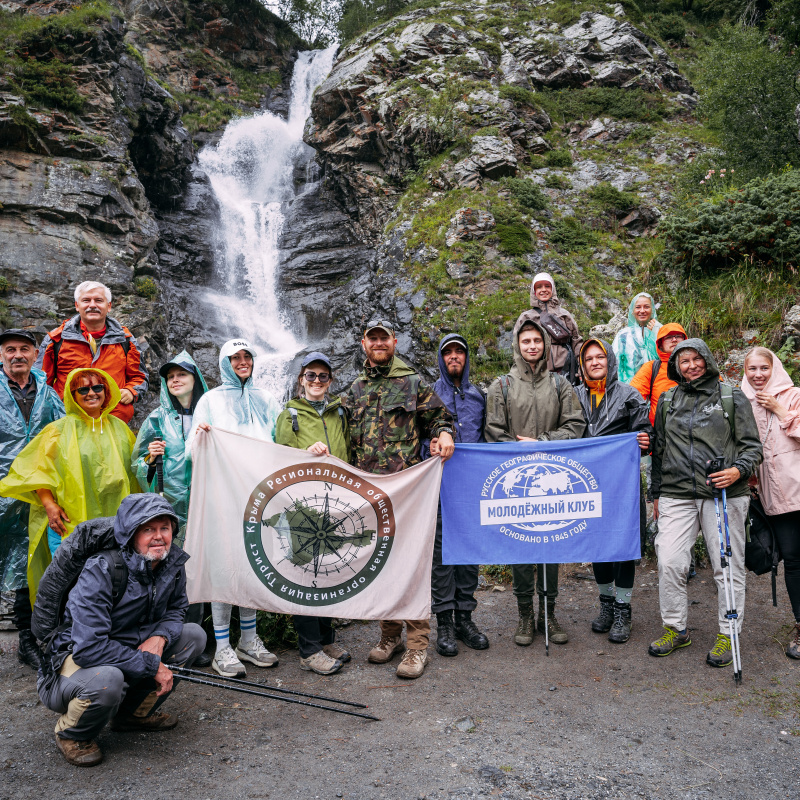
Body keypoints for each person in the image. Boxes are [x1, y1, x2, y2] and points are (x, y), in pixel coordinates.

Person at [37, 494, 206, 767]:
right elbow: (89, 648)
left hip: (127, 647)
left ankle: (132, 715)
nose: (159, 537)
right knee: (108, 679)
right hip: (72, 661)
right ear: (130, 533)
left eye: (165, 528)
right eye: (148, 529)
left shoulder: (171, 562)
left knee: (193, 636)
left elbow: (177, 609)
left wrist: (160, 637)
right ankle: (72, 733)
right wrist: (152, 665)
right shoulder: (101, 569)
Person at [342, 319, 455, 679]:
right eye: (372, 339)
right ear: (364, 343)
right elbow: (338, 435)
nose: (378, 344)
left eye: (383, 338)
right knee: (382, 565)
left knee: (411, 565)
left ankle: (418, 645)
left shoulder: (413, 382)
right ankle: (389, 636)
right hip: (369, 492)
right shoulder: (354, 389)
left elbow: (439, 417)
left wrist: (442, 435)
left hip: (407, 493)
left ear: (394, 341)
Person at [649, 339, 762, 667]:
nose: (691, 365)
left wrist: (736, 471)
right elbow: (659, 451)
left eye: (697, 358)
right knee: (669, 562)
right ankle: (675, 627)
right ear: (676, 366)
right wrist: (655, 494)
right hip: (676, 493)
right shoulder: (668, 400)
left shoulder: (731, 397)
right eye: (684, 361)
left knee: (726, 566)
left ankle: (729, 632)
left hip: (724, 494)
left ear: (708, 360)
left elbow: (753, 447)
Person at [485, 314, 586, 647]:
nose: (532, 346)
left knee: (550, 545)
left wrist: (541, 444)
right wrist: (517, 452)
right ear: (517, 345)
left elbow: (575, 425)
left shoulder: (560, 385)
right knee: (521, 547)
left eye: (537, 340)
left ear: (545, 345)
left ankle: (549, 613)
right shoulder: (501, 386)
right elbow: (493, 433)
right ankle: (525, 615)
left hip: (553, 478)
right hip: (516, 480)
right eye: (525, 341)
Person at [186, 338, 282, 678]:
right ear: (224, 362)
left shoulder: (267, 399)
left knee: (253, 564)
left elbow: (281, 443)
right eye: (235, 357)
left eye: (247, 356)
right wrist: (201, 436)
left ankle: (249, 640)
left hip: (259, 496)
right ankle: (223, 646)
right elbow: (192, 450)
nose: (242, 362)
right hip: (223, 496)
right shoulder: (210, 400)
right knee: (225, 566)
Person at [0, 368, 138, 598]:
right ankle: (69, 632)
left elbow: (135, 472)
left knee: (113, 582)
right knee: (71, 584)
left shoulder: (120, 428)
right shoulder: (58, 430)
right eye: (82, 389)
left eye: (97, 387)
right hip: (68, 522)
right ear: (72, 395)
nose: (91, 393)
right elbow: (35, 469)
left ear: (107, 390)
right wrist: (49, 505)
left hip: (113, 524)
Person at [274, 352, 352, 676]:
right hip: (301, 504)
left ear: (330, 381)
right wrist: (306, 453)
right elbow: (278, 458)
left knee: (329, 570)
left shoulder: (339, 413)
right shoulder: (289, 414)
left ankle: (326, 637)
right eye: (311, 376)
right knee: (305, 573)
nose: (317, 382)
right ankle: (309, 649)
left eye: (323, 376)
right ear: (300, 380)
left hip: (335, 502)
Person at [132, 350, 211, 667]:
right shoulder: (155, 419)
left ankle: (201, 639)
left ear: (195, 379)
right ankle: (166, 638)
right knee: (171, 576)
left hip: (206, 506)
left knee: (201, 574)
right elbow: (137, 465)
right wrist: (150, 458)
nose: (175, 379)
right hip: (170, 511)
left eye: (182, 374)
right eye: (170, 376)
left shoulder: (210, 415)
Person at [576, 338, 651, 643]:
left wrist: (646, 439)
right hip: (587, 484)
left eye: (600, 357)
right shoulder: (574, 395)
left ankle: (623, 609)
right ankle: (606, 605)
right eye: (589, 359)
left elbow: (646, 431)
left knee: (622, 546)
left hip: (621, 484)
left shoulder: (629, 395)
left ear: (610, 361)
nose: (595, 362)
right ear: (582, 365)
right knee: (598, 545)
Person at [0, 329, 64, 670]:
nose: (17, 355)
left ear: (36, 353)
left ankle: (27, 637)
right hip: (2, 490)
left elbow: (63, 435)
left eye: (24, 349)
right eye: (10, 350)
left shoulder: (49, 393)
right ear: (1, 355)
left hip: (37, 490)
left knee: (28, 559)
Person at [426, 333, 489, 657]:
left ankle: (466, 618)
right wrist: (430, 445)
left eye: (459, 353)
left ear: (465, 359)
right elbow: (420, 439)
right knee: (442, 559)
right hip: (439, 489)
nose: (454, 357)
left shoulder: (479, 396)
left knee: (468, 555)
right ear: (441, 357)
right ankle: (445, 624)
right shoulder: (429, 395)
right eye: (448, 352)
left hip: (473, 489)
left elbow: (488, 438)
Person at [742, 347, 800, 658]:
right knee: (792, 560)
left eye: (764, 368)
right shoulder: (742, 404)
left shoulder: (794, 396)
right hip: (776, 497)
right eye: (752, 369)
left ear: (774, 367)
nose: (758, 375)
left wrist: (779, 409)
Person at [35, 281, 148, 425]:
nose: (92, 305)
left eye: (99, 300)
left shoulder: (125, 340)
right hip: (69, 423)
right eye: (86, 300)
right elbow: (41, 383)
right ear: (77, 305)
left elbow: (140, 377)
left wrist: (132, 391)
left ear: (109, 306)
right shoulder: (56, 339)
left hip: (113, 423)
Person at [524, 272, 583, 384]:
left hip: (565, 369)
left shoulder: (564, 315)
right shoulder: (527, 317)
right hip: (538, 371)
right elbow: (519, 348)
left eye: (547, 286)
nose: (543, 290)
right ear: (534, 291)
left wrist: (582, 367)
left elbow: (576, 342)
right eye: (539, 287)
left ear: (553, 289)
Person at [630, 323, 688, 425]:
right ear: (660, 344)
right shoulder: (651, 368)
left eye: (678, 336)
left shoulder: (698, 364)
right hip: (660, 433)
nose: (674, 340)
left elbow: (718, 391)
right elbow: (632, 399)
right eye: (668, 337)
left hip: (694, 430)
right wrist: (643, 428)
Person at [612, 292, 663, 384]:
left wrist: (658, 331)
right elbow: (615, 364)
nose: (642, 311)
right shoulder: (623, 335)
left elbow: (669, 357)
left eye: (646, 307)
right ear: (632, 311)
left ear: (652, 310)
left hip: (656, 387)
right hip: (630, 389)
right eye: (638, 307)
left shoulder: (661, 331)